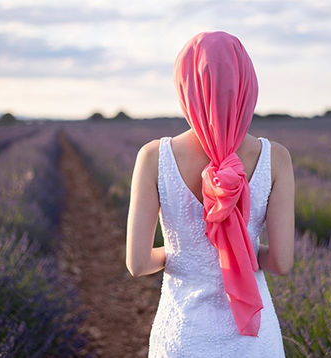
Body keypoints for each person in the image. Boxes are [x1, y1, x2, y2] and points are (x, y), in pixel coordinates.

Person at [126, 31, 294, 357]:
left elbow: (137, 263)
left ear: (185, 87)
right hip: (253, 340)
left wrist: (181, 253)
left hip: (183, 337)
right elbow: (281, 262)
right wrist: (241, 251)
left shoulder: (153, 158)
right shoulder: (276, 158)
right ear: (246, 85)